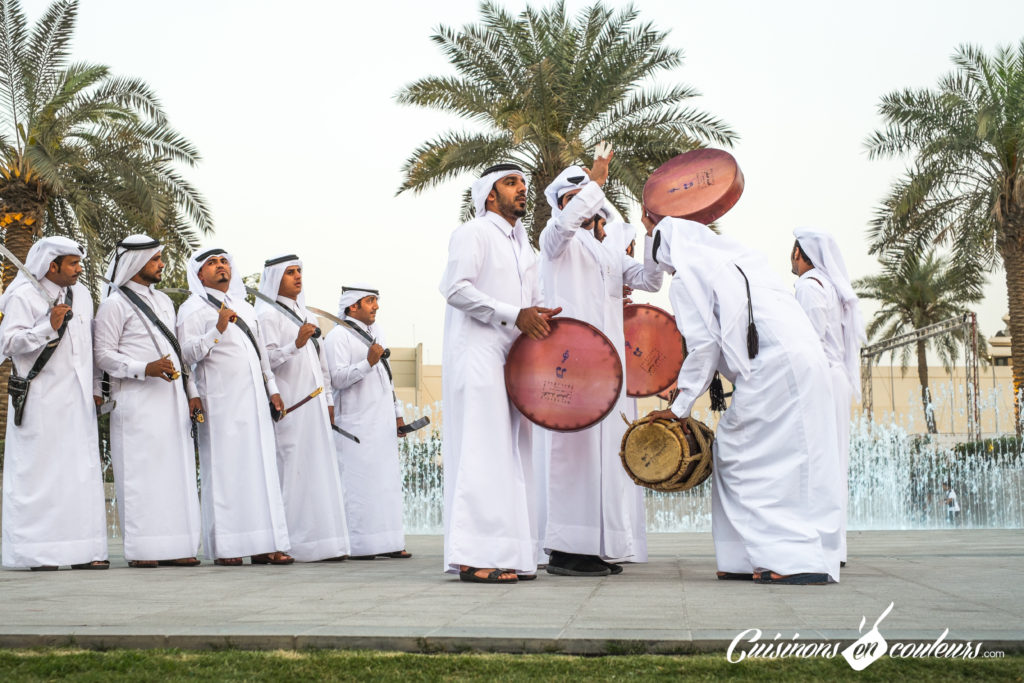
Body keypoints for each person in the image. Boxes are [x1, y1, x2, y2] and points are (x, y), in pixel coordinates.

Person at [644, 216, 843, 585]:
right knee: (787, 459)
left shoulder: (688, 279)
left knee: (740, 456)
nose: (666, 267)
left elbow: (704, 347)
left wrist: (677, 409)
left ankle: (792, 559)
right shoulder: (741, 263)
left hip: (772, 370)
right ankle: (742, 558)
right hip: (804, 363)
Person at [538, 158, 663, 577]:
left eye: (586, 196)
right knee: (573, 455)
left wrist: (651, 233)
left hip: (609, 366)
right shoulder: (555, 239)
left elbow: (650, 280)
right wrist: (594, 182)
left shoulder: (608, 251)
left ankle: (595, 546)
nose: (583, 204)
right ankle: (564, 549)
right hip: (571, 362)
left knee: (605, 456)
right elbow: (565, 225)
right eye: (572, 198)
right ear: (561, 204)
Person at [439, 163, 560, 584]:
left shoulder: (525, 246)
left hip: (514, 361)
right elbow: (455, 288)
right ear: (490, 195)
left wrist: (543, 319)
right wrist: (514, 315)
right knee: (482, 452)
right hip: (477, 356)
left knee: (514, 454)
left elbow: (532, 302)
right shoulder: (473, 233)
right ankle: (474, 556)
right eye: (512, 183)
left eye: (523, 184)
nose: (521, 190)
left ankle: (514, 553)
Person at [176, 247, 292, 566]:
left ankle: (265, 543)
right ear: (199, 274)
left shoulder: (246, 308)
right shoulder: (192, 310)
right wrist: (218, 330)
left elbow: (260, 355)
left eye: (224, 261)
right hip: (221, 400)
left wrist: (272, 388)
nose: (220, 267)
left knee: (261, 470)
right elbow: (185, 357)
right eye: (211, 264)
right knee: (227, 471)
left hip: (255, 400)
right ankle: (228, 547)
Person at [93, 235, 202, 568]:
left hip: (172, 400)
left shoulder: (166, 302)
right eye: (155, 258)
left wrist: (192, 394)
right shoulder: (115, 304)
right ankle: (143, 550)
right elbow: (102, 355)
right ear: (136, 263)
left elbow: (180, 354)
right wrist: (144, 369)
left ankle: (178, 545)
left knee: (176, 473)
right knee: (142, 474)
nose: (161, 264)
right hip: (136, 402)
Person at [0, 237, 108, 570]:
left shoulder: (84, 297)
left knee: (79, 473)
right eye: (74, 263)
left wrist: (95, 387)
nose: (79, 269)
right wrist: (47, 327)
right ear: (52, 265)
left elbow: (89, 345)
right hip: (41, 401)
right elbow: (7, 343)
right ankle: (39, 553)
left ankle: (83, 551)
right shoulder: (22, 296)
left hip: (78, 402)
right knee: (41, 475)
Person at [256, 254, 350, 562]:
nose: (298, 277)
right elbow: (264, 361)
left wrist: (329, 402)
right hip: (290, 405)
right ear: (275, 279)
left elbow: (320, 363)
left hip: (315, 403)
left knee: (317, 471)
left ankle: (323, 543)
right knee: (291, 472)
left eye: (299, 271)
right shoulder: (267, 315)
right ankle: (289, 541)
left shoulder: (305, 313)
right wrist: (294, 344)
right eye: (290, 272)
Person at [791, 228, 867, 567]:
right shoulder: (833, 289)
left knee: (818, 462)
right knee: (834, 462)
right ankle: (834, 547)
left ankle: (820, 544)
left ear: (800, 255)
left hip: (820, 380)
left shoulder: (809, 287)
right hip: (837, 380)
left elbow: (807, 342)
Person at [324, 284, 411, 561]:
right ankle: (361, 546)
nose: (375, 306)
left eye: (376, 300)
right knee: (359, 486)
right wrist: (367, 363)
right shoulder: (338, 337)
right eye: (370, 301)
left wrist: (397, 413)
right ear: (353, 306)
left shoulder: (377, 332)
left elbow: (389, 377)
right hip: (356, 423)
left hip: (381, 421)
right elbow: (336, 379)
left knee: (385, 483)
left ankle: (390, 541)